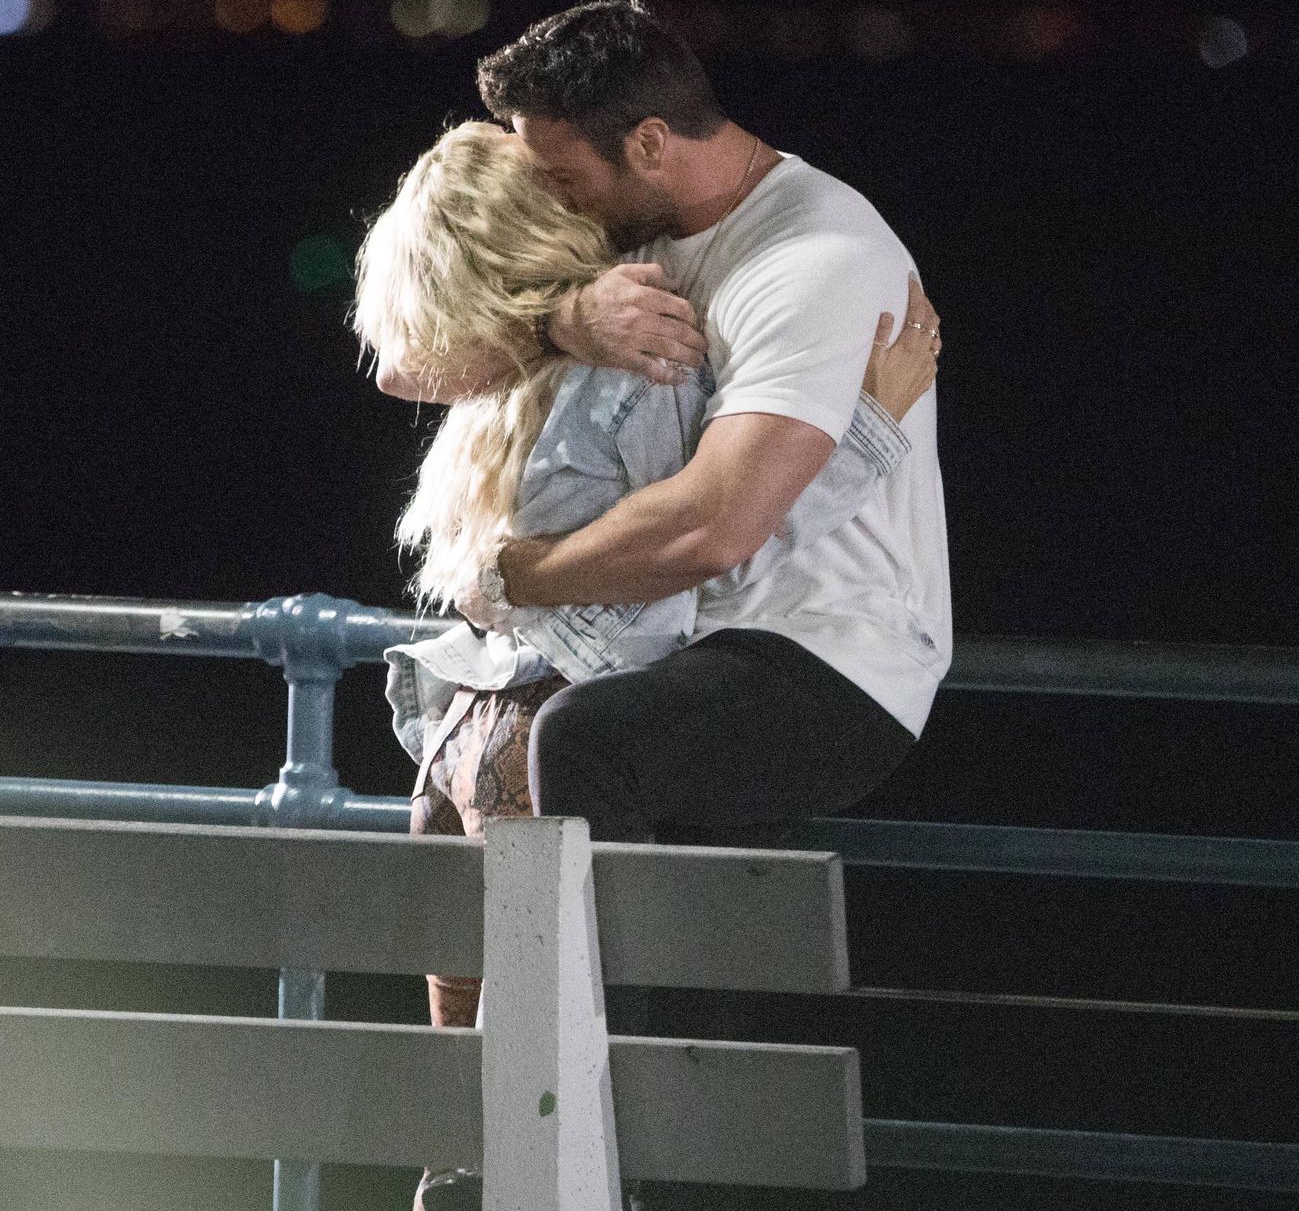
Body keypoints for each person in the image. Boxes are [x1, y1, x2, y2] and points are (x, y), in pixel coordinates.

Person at [354, 120, 936, 1211]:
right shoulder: (640, 353)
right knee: (547, 1125)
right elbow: (714, 543)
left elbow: (398, 362)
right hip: (544, 741)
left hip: (459, 744)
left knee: (467, 1139)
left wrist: (549, 320)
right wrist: (870, 434)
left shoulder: (498, 377)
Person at [376, 0, 951, 855]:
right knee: (461, 787)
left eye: (564, 178)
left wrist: (516, 578)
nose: (553, 200)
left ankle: (594, 994)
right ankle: (551, 985)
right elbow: (407, 366)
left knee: (578, 743)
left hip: (823, 655)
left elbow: (716, 526)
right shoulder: (631, 229)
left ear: (648, 142)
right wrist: (557, 325)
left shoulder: (814, 261)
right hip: (666, 630)